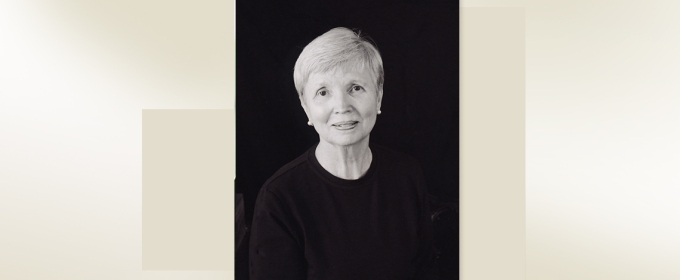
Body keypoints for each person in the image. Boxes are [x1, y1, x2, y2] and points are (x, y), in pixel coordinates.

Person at [249, 27, 434, 280]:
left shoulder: (407, 176)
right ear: (306, 108)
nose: (342, 107)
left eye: (356, 88)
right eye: (323, 92)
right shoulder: (279, 199)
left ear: (378, 96)